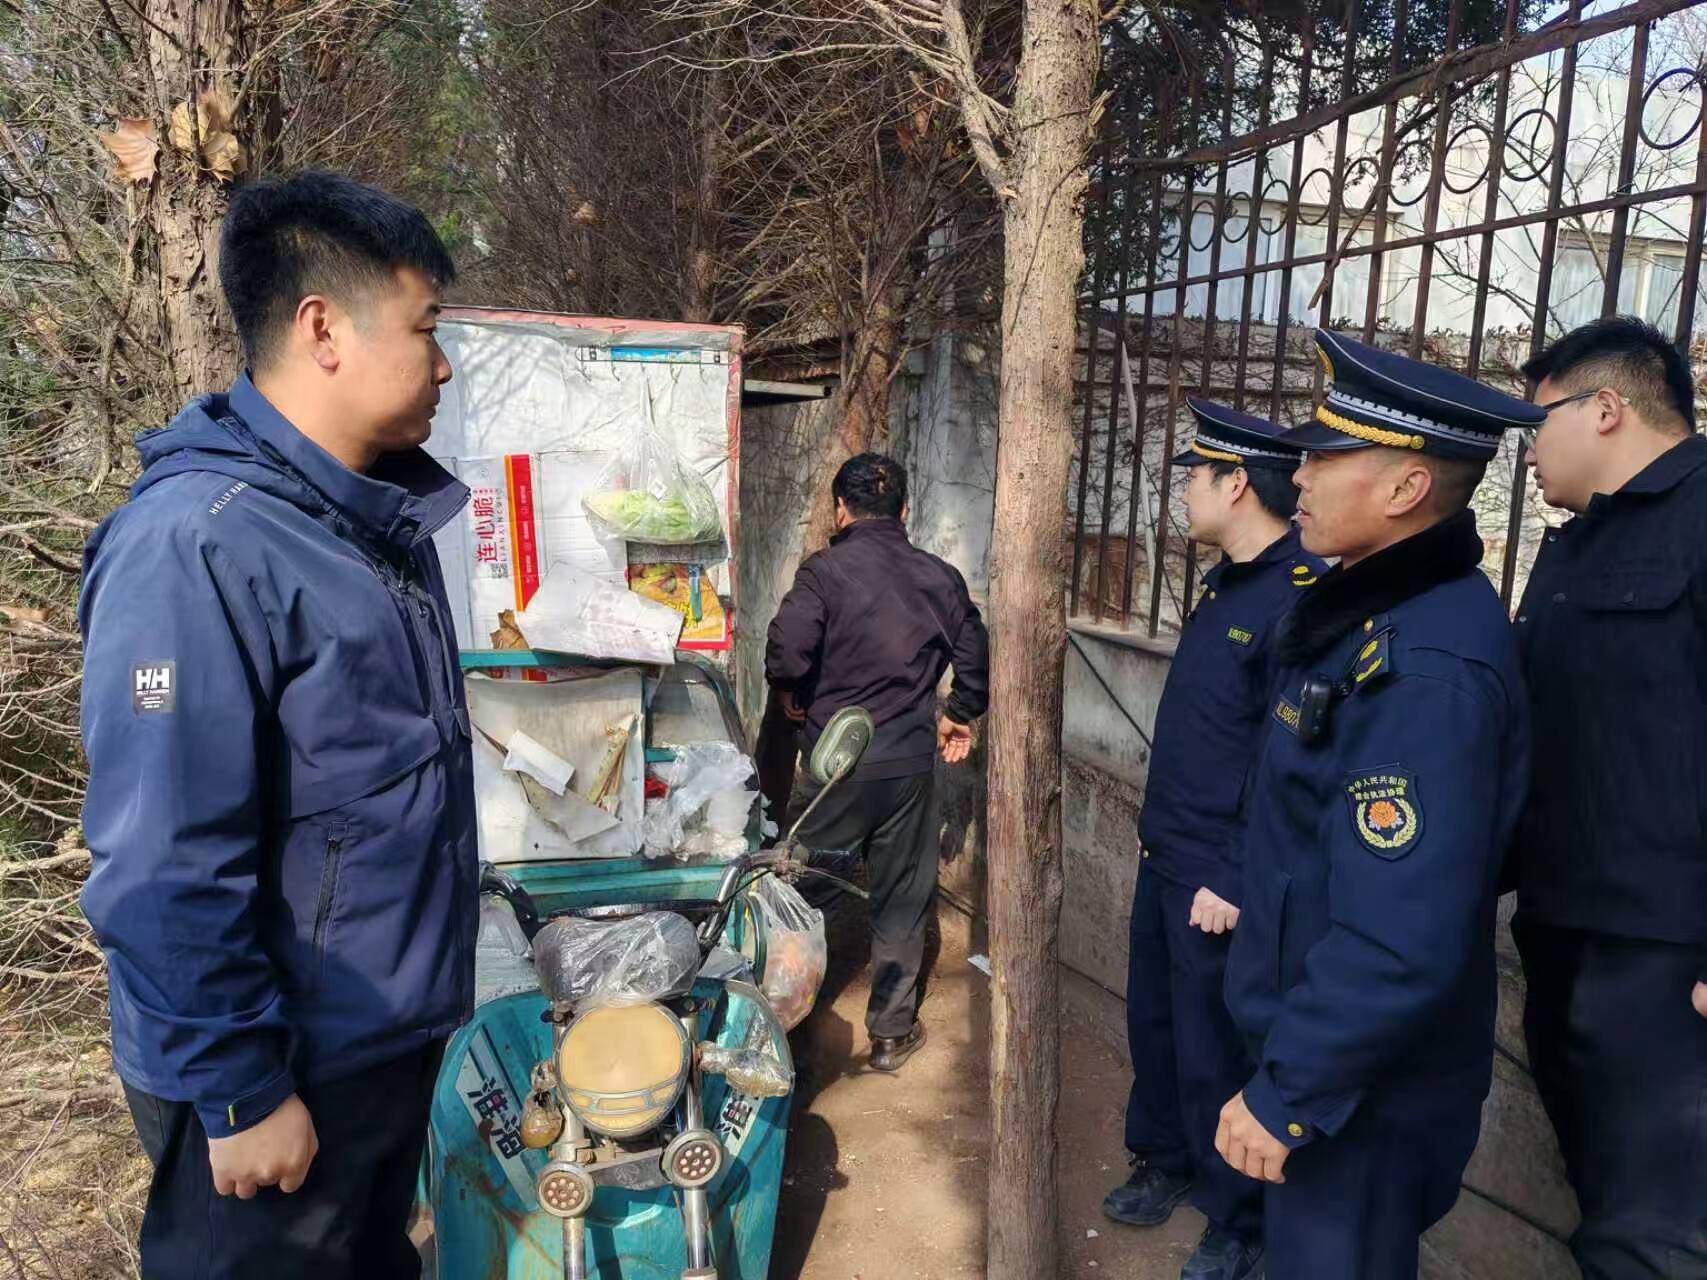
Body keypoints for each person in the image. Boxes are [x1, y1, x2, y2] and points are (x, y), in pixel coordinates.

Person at [79, 172, 471, 1279]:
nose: (443, 364)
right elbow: (159, 860)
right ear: (323, 329)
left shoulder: (362, 522)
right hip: (275, 1077)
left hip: (371, 1048)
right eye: (425, 328)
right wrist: (242, 1087)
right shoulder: (194, 544)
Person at [1217, 329, 1539, 1278]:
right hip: (1330, 1058)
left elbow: (1402, 930)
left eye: (1325, 459)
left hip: (1358, 1089)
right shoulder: (1365, 614)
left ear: (1404, 489)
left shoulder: (1424, 667)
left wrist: (1292, 1090)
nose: (1298, 477)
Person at [1103, 401, 1325, 1280]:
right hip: (1168, 849)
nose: (1184, 495)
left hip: (1218, 873)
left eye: (1195, 477)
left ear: (1236, 484)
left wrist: (1232, 873)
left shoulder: (1297, 596)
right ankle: (1163, 1158)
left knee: (1214, 1045)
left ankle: (1236, 1216)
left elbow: (1282, 759)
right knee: (1156, 1024)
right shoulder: (1225, 583)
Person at [1508, 315, 1707, 1279]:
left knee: (1657, 1236)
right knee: (1605, 1201)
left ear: (1604, 409)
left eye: (1536, 420)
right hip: (1562, 931)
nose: (1527, 447)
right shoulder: (1575, 545)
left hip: (1667, 960)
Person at [765, 451, 989, 1071]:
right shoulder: (940, 577)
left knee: (802, 894)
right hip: (907, 767)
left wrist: (793, 693)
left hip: (834, 765)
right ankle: (891, 1034)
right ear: (905, 510)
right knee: (901, 897)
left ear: (841, 509)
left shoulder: (823, 573)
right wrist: (958, 712)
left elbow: (786, 652)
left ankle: (784, 1028)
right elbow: (975, 658)